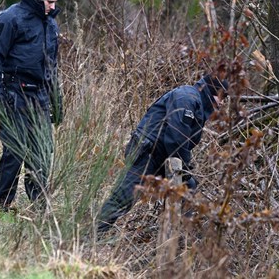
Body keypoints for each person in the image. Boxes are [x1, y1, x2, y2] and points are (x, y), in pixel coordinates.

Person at [97, 74, 228, 232]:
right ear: (213, 92)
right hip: (148, 153)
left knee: (188, 191)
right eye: (223, 96)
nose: (222, 103)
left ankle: (180, 243)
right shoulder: (187, 98)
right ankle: (91, 237)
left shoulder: (196, 102)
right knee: (124, 197)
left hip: (162, 156)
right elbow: (176, 139)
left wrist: (184, 174)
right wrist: (184, 169)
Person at [0, 0, 62, 211]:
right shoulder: (10, 19)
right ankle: (1, 204)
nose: (53, 7)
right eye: (50, 2)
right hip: (14, 94)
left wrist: (56, 104)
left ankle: (39, 205)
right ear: (39, 0)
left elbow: (52, 67)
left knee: (42, 151)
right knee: (15, 151)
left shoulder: (51, 24)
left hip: (40, 97)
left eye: (55, 2)